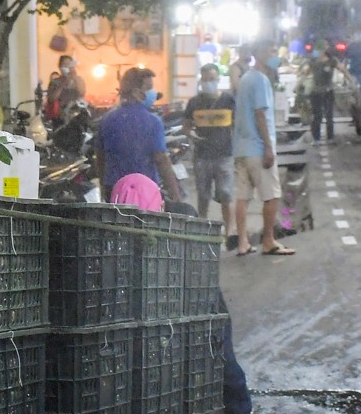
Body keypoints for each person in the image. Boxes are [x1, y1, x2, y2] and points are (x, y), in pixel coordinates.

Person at [140, 194, 258, 414]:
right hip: (165, 302)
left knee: (223, 359)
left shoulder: (183, 214)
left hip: (203, 299)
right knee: (170, 370)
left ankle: (241, 412)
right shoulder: (127, 223)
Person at [231, 39, 293, 256]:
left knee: (243, 197)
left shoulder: (245, 78)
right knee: (272, 195)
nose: (275, 54)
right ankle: (269, 241)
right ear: (258, 53)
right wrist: (268, 146)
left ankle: (243, 242)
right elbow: (260, 114)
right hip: (257, 148)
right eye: (271, 49)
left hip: (241, 149)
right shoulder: (260, 80)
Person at [94, 67, 184, 204]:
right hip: (144, 191)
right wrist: (175, 193)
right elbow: (161, 160)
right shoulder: (153, 121)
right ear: (137, 92)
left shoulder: (107, 120)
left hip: (113, 190)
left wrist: (102, 185)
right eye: (149, 88)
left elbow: (100, 157)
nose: (153, 93)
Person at [182, 63, 237, 250]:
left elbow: (237, 124)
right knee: (203, 195)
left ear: (218, 79)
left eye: (212, 79)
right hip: (202, 156)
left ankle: (230, 233)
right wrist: (191, 134)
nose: (208, 83)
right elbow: (186, 125)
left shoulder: (229, 100)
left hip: (224, 155)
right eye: (205, 80)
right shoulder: (194, 103)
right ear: (200, 81)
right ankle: (202, 230)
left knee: (226, 194)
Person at [303, 47, 342, 142]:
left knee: (329, 115)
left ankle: (330, 137)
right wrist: (298, 85)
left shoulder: (332, 61)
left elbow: (343, 70)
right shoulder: (313, 62)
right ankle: (316, 138)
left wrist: (351, 81)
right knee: (317, 115)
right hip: (315, 92)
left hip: (328, 91)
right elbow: (305, 74)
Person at [43, 55, 85, 123]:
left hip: (77, 115)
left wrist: (75, 78)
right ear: (60, 67)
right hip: (60, 117)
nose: (67, 67)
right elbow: (52, 98)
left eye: (69, 65)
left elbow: (82, 92)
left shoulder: (79, 80)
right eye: (64, 65)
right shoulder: (55, 82)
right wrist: (63, 83)